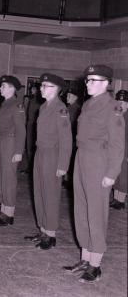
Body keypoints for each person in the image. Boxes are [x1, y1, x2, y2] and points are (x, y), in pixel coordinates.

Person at [63, 65, 125, 283]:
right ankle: (86, 257)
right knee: (80, 210)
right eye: (87, 80)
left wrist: (111, 173)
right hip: (82, 159)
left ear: (106, 83)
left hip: (99, 162)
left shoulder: (113, 107)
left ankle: (96, 265)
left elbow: (117, 145)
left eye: (92, 80)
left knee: (96, 214)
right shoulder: (87, 104)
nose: (87, 84)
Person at [24, 73, 72, 250]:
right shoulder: (43, 107)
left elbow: (66, 140)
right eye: (42, 86)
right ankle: (43, 229)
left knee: (50, 195)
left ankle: (51, 234)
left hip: (53, 155)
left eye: (45, 86)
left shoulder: (61, 110)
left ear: (56, 89)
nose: (41, 89)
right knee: (39, 192)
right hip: (40, 153)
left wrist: (62, 165)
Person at [0, 76, 26, 226]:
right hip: (1, 141)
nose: (0, 88)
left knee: (9, 179)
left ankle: (9, 213)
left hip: (11, 143)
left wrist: (19, 151)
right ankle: (4, 210)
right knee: (0, 176)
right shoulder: (5, 104)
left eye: (3, 86)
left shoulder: (17, 105)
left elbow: (21, 130)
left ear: (12, 88)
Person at [110, 89, 128, 210]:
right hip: (115, 149)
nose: (120, 105)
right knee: (116, 173)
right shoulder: (116, 115)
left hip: (125, 150)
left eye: (123, 102)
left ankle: (120, 200)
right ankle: (116, 198)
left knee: (124, 175)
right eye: (118, 102)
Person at [22, 83, 43, 174]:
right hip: (29, 125)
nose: (31, 91)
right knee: (28, 146)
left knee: (32, 147)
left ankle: (33, 168)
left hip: (35, 126)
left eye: (33, 89)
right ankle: (29, 167)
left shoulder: (40, 101)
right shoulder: (32, 100)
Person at [64, 86, 82, 186]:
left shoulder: (77, 109)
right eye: (67, 95)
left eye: (69, 95)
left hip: (72, 138)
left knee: (71, 159)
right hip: (67, 138)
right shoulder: (68, 108)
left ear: (75, 97)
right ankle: (66, 178)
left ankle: (69, 180)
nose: (67, 97)